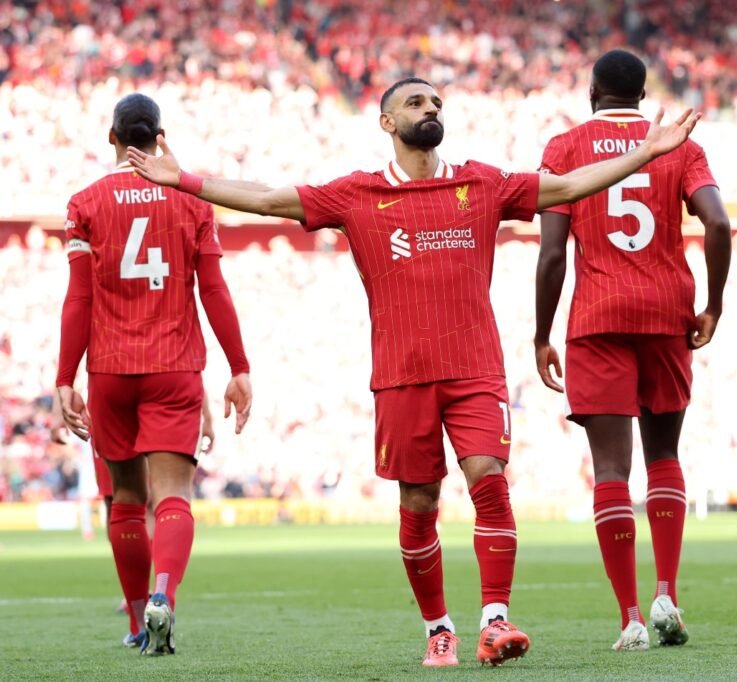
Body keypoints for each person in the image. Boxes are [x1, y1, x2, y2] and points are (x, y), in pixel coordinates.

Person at [127, 76, 699, 667]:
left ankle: (495, 621)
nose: (430, 109)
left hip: (476, 369)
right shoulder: (357, 194)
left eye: (436, 103)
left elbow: (569, 186)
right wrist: (184, 180)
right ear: (387, 123)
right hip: (401, 376)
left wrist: (646, 153)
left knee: (489, 478)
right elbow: (270, 199)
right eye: (415, 103)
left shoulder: (481, 182)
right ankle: (438, 629)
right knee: (420, 502)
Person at [534, 50, 732, 651]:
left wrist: (542, 334)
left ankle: (630, 619)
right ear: (643, 94)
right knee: (664, 453)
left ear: (592, 90)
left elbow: (552, 255)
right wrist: (714, 304)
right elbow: (719, 224)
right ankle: (666, 592)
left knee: (611, 470)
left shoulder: (563, 148)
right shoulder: (679, 145)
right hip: (666, 312)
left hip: (598, 317)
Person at [55, 93, 253, 657]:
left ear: (112, 139)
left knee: (124, 498)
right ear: (159, 138)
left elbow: (79, 298)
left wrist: (64, 379)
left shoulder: (85, 203)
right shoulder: (192, 203)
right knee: (172, 496)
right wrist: (238, 367)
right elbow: (213, 291)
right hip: (174, 366)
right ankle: (166, 594)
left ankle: (141, 620)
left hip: (111, 370)